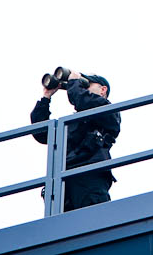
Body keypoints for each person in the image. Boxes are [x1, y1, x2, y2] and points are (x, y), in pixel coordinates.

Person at [31, 71, 121, 211]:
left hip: (89, 176)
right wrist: (46, 97)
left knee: (93, 220)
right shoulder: (71, 124)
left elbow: (83, 101)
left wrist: (74, 81)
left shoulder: (108, 111)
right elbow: (40, 133)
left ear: (103, 90)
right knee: (61, 225)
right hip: (64, 181)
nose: (82, 87)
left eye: (87, 84)